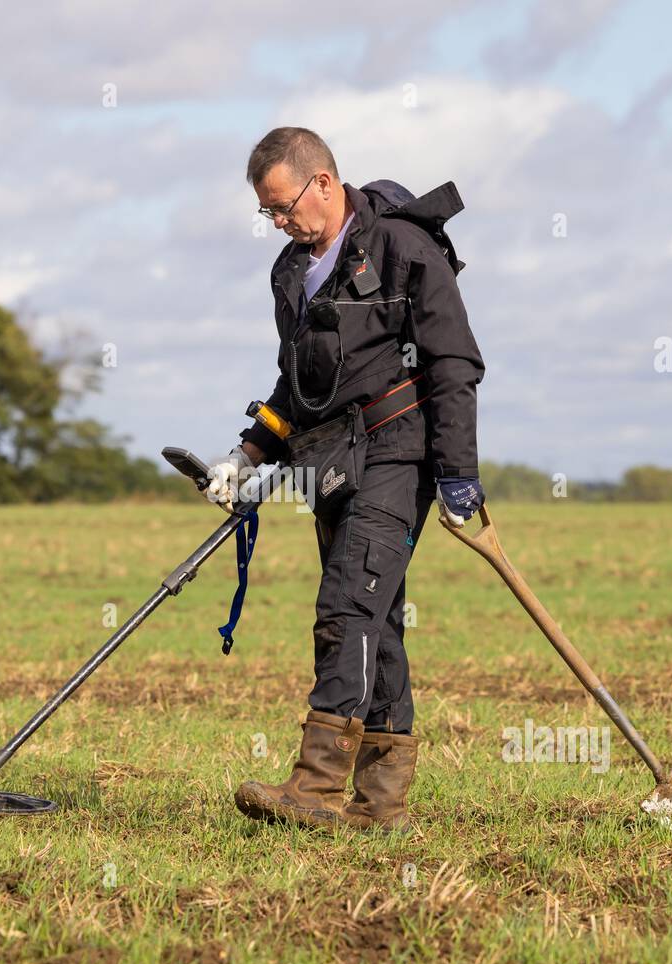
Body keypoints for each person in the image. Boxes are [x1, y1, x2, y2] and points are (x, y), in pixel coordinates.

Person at [203, 127, 485, 832]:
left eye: (282, 206)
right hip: (331, 465)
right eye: (266, 213)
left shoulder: (404, 250)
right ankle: (381, 805)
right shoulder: (291, 274)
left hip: (400, 455)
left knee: (346, 609)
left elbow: (454, 364)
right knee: (377, 619)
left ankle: (318, 784)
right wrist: (247, 454)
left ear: (323, 183)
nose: (277, 222)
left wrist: (457, 474)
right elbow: (296, 386)